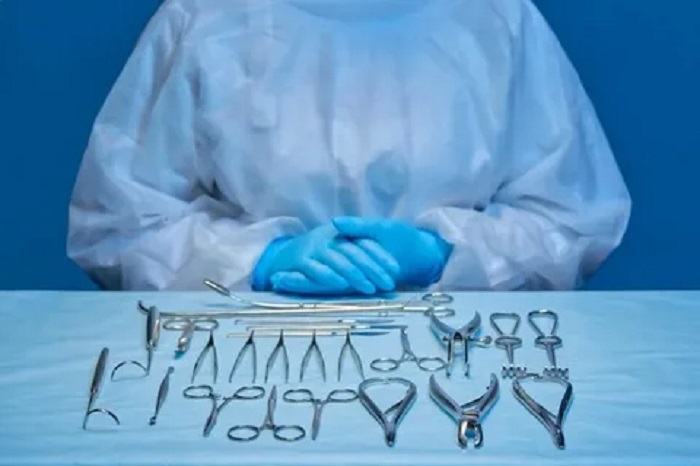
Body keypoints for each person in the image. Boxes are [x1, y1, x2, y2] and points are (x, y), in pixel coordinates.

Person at [66, 0, 631, 295]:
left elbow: (569, 219)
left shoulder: (496, 19)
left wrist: (444, 254)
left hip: (459, 340)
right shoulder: (206, 20)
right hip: (248, 343)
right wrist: (257, 262)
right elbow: (120, 225)